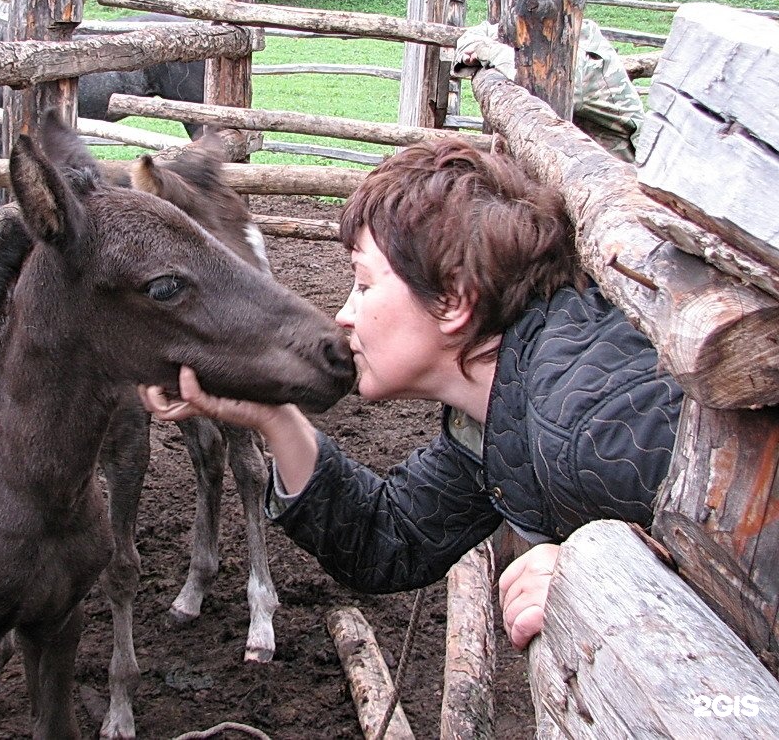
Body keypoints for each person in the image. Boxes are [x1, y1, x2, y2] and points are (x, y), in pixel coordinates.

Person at [139, 137, 681, 651]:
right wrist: (274, 417)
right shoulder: (501, 411)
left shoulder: (598, 431)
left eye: (364, 284)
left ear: (453, 301)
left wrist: (604, 589)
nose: (344, 315)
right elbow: (387, 539)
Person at [453, 19, 645, 163]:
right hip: (574, 162)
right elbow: (471, 36)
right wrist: (487, 48)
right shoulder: (534, 28)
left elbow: (542, 82)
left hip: (613, 175)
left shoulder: (585, 53)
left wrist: (487, 51)